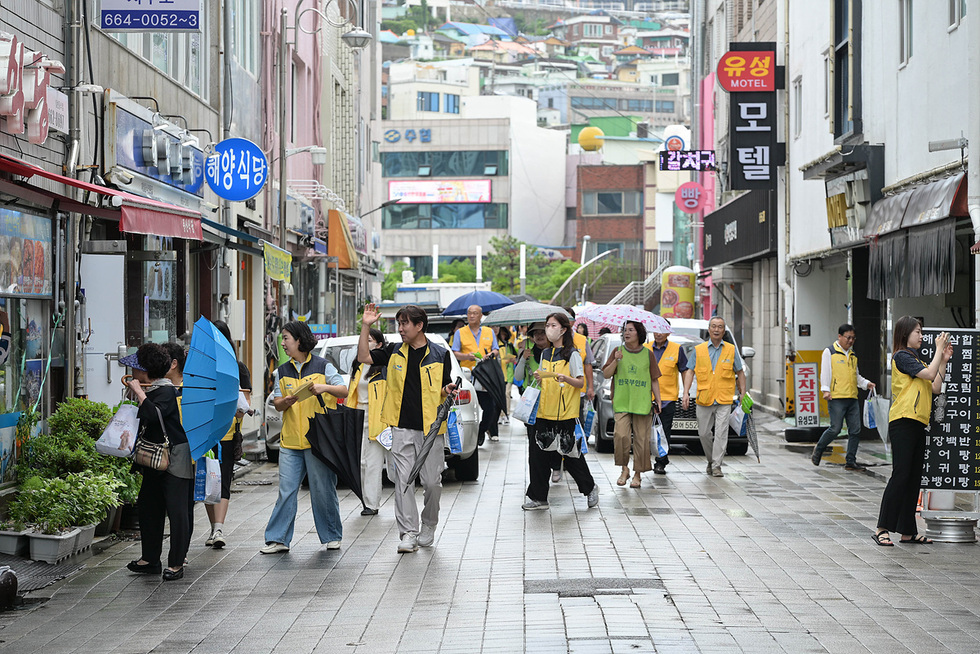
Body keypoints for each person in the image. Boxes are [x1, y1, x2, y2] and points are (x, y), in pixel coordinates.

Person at [358, 303, 457, 553]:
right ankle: (408, 533)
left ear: (419, 325)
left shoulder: (439, 354)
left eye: (404, 324)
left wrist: (447, 390)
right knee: (403, 481)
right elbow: (363, 357)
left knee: (433, 483)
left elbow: (445, 385)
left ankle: (429, 524)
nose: (400, 329)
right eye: (398, 324)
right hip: (400, 427)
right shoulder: (391, 351)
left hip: (431, 429)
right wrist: (366, 325)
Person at [261, 321, 347, 555]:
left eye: (286, 338)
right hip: (290, 441)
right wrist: (284, 402)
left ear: (299, 340)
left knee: (322, 489)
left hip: (317, 440)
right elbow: (277, 403)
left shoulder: (323, 366)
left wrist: (323, 387)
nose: (283, 343)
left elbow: (343, 390)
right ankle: (278, 539)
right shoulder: (282, 370)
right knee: (286, 490)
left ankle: (331, 535)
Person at [874, 319, 951, 547]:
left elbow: (935, 386)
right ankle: (881, 528)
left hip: (918, 423)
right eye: (918, 332)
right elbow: (928, 375)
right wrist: (938, 351)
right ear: (905, 333)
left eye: (921, 332)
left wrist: (943, 361)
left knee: (913, 477)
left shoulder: (916, 359)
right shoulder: (902, 356)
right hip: (903, 421)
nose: (921, 336)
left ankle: (907, 531)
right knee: (901, 475)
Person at [122, 343, 193, 581]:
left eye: (135, 369)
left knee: (176, 509)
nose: (132, 373)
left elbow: (154, 414)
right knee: (148, 506)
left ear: (146, 371)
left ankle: (175, 564)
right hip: (153, 458)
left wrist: (140, 394)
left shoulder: (166, 391)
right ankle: (150, 558)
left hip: (174, 456)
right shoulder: (152, 390)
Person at [520, 313, 598, 511]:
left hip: (565, 414)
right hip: (543, 411)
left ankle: (589, 488)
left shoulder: (572, 354)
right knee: (537, 456)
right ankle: (538, 497)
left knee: (571, 456)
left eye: (552, 325)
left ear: (563, 329)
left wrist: (565, 378)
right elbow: (546, 378)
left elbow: (580, 382)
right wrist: (540, 377)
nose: (548, 329)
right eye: (547, 325)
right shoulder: (546, 353)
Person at [206, 320, 252, 548]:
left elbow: (245, 406)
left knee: (223, 481)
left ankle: (218, 528)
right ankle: (213, 527)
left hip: (226, 434)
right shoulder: (201, 369)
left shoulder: (237, 368)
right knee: (207, 482)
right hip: (204, 434)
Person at [682, 316, 746, 477]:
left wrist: (743, 393)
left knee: (721, 433)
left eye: (720, 327)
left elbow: (740, 372)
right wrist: (685, 392)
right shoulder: (699, 350)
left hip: (724, 398)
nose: (716, 329)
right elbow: (690, 371)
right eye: (714, 326)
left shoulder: (731, 350)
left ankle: (717, 465)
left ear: (723, 331)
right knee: (703, 433)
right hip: (704, 397)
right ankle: (711, 460)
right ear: (709, 330)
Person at [603, 320, 662, 488]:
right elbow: (607, 374)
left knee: (642, 440)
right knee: (621, 436)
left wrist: (658, 400)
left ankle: (637, 474)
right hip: (621, 401)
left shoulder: (648, 354)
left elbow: (654, 379)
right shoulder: (617, 351)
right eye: (624, 330)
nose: (626, 333)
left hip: (642, 403)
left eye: (630, 330)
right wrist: (615, 361)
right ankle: (624, 469)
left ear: (639, 333)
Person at [812, 324, 876, 472]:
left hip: (852, 397)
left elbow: (856, 375)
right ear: (839, 336)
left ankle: (850, 461)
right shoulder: (830, 352)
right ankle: (819, 448)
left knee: (855, 430)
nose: (851, 340)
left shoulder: (853, 355)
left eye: (853, 338)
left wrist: (866, 384)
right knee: (835, 429)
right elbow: (825, 372)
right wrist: (825, 390)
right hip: (836, 397)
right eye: (848, 337)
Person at [348, 328, 389, 516]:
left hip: (378, 418)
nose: (364, 343)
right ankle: (368, 502)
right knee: (362, 462)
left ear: (379, 345)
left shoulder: (383, 366)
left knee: (374, 463)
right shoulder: (357, 365)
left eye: (369, 340)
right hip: (358, 416)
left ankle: (372, 503)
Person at [646, 328, 692, 474]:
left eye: (661, 331)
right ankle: (644, 460)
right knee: (645, 430)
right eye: (655, 330)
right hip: (647, 397)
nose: (658, 334)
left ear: (668, 333)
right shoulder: (646, 348)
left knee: (663, 432)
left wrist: (685, 392)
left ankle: (661, 462)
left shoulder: (676, 349)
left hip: (667, 398)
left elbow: (685, 370)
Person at [452, 305, 499, 444]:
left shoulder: (489, 332)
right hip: (468, 376)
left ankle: (481, 430)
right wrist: (467, 356)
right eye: (469, 313)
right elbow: (455, 353)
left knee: (490, 408)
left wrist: (490, 355)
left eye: (475, 313)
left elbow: (496, 349)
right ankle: (469, 435)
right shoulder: (460, 333)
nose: (471, 316)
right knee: (469, 408)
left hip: (485, 376)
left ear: (480, 316)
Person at [495, 325, 518, 425]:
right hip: (499, 374)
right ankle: (500, 414)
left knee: (506, 394)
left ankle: (506, 413)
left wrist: (512, 360)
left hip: (508, 374)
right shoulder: (496, 345)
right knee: (500, 395)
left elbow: (516, 357)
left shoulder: (509, 345)